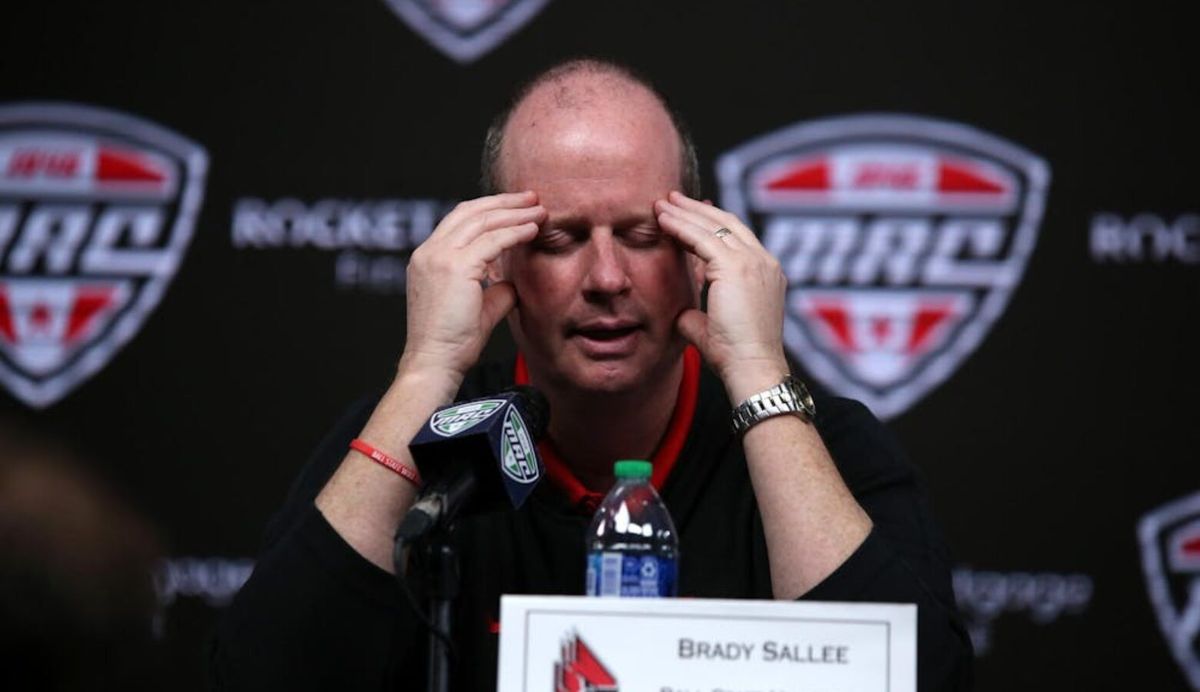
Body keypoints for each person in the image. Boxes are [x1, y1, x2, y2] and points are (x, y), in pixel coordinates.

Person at [212, 59, 972, 690]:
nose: (606, 276)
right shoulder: (419, 454)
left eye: (642, 234)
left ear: (700, 248)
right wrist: (426, 373)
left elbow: (915, 682)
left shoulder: (821, 446)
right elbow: (255, 678)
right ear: (497, 256)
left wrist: (757, 372)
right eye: (559, 239)